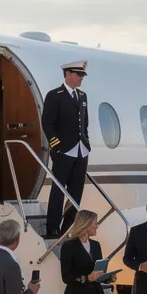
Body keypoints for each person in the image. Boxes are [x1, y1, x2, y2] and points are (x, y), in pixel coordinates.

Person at [41, 60, 90, 239]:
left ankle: (68, 227)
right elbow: (47, 123)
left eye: (82, 75)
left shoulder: (82, 96)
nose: (81, 78)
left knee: (76, 192)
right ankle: (53, 227)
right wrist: (56, 146)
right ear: (67, 74)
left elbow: (84, 123)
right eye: (78, 75)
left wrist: (86, 141)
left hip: (81, 150)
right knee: (59, 190)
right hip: (64, 151)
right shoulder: (55, 95)